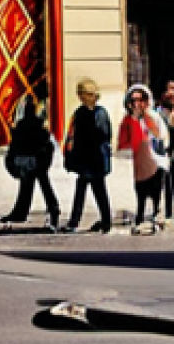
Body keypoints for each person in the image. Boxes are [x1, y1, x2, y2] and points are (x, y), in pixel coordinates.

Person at [0, 96, 60, 231]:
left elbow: (16, 144)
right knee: (42, 185)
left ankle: (22, 212)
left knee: (30, 186)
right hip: (37, 159)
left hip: (29, 158)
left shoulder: (23, 126)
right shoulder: (39, 126)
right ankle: (52, 209)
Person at [61, 78, 112, 234]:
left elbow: (104, 135)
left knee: (99, 192)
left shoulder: (100, 113)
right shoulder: (79, 113)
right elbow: (72, 136)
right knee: (83, 190)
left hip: (96, 159)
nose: (82, 97)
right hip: (85, 159)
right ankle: (78, 221)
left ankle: (104, 221)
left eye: (85, 94)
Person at [118, 84, 169, 235]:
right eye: (133, 100)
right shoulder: (128, 120)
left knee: (155, 193)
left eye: (141, 100)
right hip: (139, 164)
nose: (137, 104)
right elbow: (125, 143)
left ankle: (156, 217)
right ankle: (140, 220)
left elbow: (160, 136)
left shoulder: (152, 116)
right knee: (140, 193)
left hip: (155, 163)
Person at [157, 80, 174, 221]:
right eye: (169, 89)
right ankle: (169, 213)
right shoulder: (161, 110)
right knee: (167, 182)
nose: (170, 92)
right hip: (167, 151)